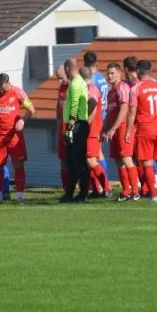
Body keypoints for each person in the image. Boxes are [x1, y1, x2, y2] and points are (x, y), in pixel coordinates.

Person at [0, 73, 35, 204]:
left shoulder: (18, 92)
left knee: (18, 164)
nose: (1, 91)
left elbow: (31, 109)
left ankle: (20, 196)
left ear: (8, 83)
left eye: (3, 88)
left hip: (14, 136)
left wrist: (23, 120)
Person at [126, 60, 157, 202]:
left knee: (147, 163)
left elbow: (132, 111)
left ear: (139, 71)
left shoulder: (136, 89)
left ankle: (153, 196)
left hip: (145, 129)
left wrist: (128, 131)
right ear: (150, 71)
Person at [103, 62, 140, 201]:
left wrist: (113, 129)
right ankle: (125, 191)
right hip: (114, 129)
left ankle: (135, 191)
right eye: (108, 73)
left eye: (112, 73)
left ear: (119, 73)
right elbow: (109, 113)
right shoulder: (110, 92)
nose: (109, 75)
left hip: (123, 127)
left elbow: (125, 109)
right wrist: (103, 130)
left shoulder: (122, 87)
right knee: (118, 161)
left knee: (127, 158)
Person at [123, 56, 157, 196]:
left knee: (143, 158)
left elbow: (131, 109)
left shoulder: (132, 86)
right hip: (149, 124)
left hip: (140, 125)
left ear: (125, 69)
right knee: (140, 158)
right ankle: (145, 187)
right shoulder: (150, 82)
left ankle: (147, 187)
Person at [61, 58, 90, 203]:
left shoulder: (76, 84)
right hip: (78, 123)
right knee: (71, 161)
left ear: (67, 69)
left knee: (78, 161)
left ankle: (83, 193)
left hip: (77, 124)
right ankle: (70, 192)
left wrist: (70, 124)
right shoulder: (79, 82)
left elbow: (75, 104)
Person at [81, 67, 112, 197]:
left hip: (92, 130)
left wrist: (84, 125)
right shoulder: (92, 87)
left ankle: (107, 188)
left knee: (91, 161)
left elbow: (93, 107)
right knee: (91, 160)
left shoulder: (90, 90)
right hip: (95, 128)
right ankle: (95, 189)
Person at [83, 52, 109, 180]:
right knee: (98, 152)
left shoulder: (91, 79)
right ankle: (101, 183)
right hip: (103, 114)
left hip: (96, 117)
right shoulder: (102, 77)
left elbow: (92, 101)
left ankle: (102, 183)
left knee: (94, 154)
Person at [55, 64, 70, 191]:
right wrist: (58, 119)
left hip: (72, 128)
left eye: (61, 78)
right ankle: (67, 189)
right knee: (63, 160)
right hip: (62, 128)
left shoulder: (75, 86)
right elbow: (58, 103)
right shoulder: (61, 88)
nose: (59, 81)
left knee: (76, 161)